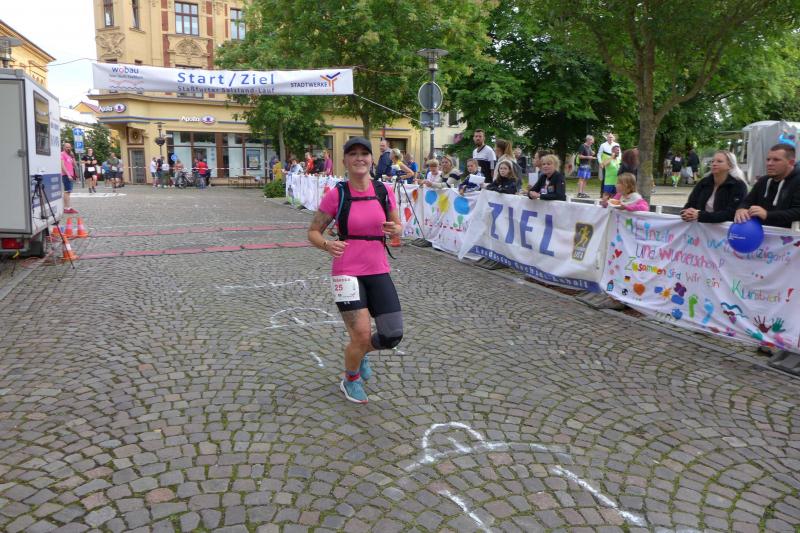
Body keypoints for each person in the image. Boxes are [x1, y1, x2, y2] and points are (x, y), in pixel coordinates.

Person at [308, 137, 404, 404]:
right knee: (360, 335)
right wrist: (327, 245)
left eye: (364, 153)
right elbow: (313, 232)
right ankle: (350, 379)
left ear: (372, 159)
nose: (359, 158)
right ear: (345, 161)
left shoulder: (384, 190)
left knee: (392, 334)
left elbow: (398, 227)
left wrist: (396, 230)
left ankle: (359, 354)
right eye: (353, 154)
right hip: (346, 271)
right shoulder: (337, 194)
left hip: (378, 269)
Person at [735, 143, 800, 228]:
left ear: (791, 163)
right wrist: (741, 209)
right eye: (768, 159)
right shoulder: (763, 180)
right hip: (759, 231)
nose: (769, 163)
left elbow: (797, 211)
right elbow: (747, 201)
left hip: (788, 234)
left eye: (776, 160)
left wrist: (767, 215)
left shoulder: (797, 181)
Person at [681, 150, 748, 223]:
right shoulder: (703, 182)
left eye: (719, 161)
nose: (714, 164)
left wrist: (701, 215)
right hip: (700, 227)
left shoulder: (739, 185)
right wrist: (686, 212)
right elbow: (690, 203)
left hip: (725, 228)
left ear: (730, 166)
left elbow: (732, 213)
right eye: (712, 161)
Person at [60, 143, 78, 214]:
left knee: (69, 191)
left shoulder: (70, 155)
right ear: (63, 147)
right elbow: (62, 166)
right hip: (66, 175)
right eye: (67, 147)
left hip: (71, 175)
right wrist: (68, 175)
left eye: (69, 147)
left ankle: (68, 207)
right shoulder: (62, 154)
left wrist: (73, 157)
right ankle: (66, 208)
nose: (68, 148)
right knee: (67, 191)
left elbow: (75, 165)